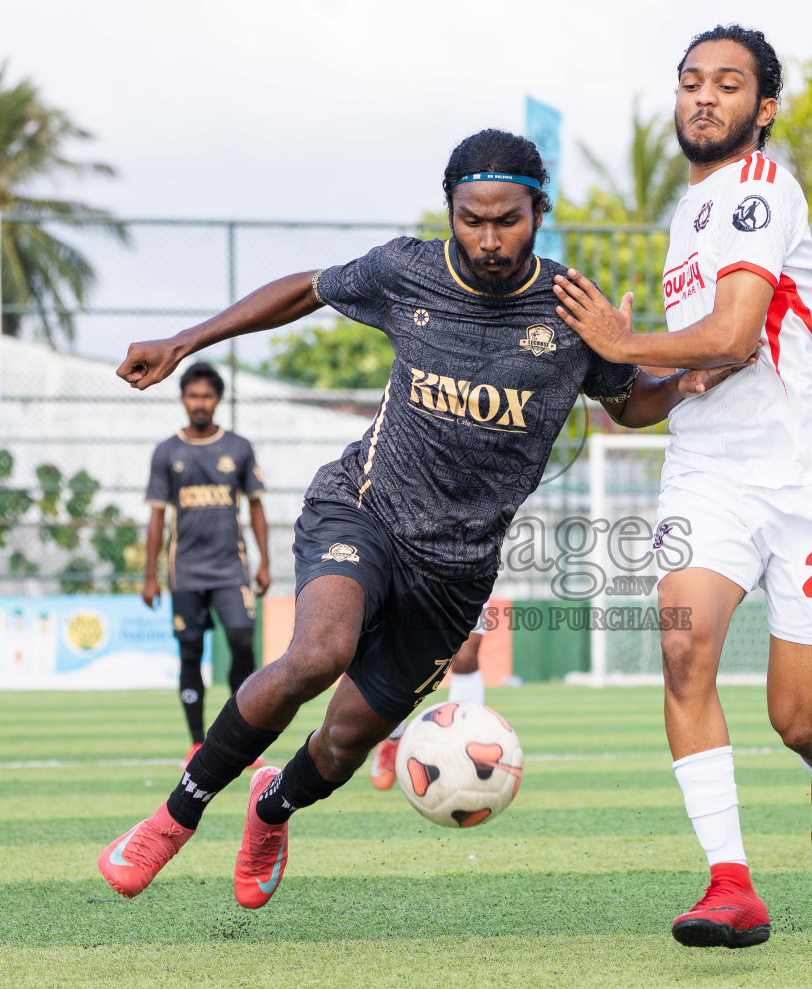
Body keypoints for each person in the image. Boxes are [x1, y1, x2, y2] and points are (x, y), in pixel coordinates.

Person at [98, 129, 755, 910]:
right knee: (317, 652)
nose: (486, 238)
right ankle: (173, 819)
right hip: (363, 510)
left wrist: (680, 382)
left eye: (506, 219)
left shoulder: (572, 309)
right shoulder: (407, 271)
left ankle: (271, 807)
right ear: (450, 209)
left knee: (342, 745)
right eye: (470, 218)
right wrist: (187, 338)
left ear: (538, 212)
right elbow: (308, 287)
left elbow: (627, 400)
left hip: (456, 574)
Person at [552, 25, 812, 950]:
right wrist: (609, 380)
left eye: (727, 84)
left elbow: (732, 339)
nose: (704, 96)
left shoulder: (763, 191)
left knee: (797, 716)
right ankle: (730, 882)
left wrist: (622, 342)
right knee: (684, 657)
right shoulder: (685, 217)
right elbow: (679, 384)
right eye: (691, 81)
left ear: (761, 109)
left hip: (807, 473)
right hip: (708, 473)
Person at [142, 362, 271, 766]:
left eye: (207, 396)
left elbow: (256, 507)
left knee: (240, 643)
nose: (200, 403)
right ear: (183, 399)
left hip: (231, 568)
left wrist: (265, 561)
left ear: (218, 400)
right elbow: (157, 517)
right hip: (186, 572)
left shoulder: (239, 447)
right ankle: (198, 743)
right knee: (190, 653)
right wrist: (150, 576)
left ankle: (241, 740)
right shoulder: (167, 452)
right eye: (193, 396)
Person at [368, 601, 490, 790]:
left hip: (470, 572)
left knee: (465, 655)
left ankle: (461, 749)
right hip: (412, 573)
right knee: (402, 647)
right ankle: (394, 737)